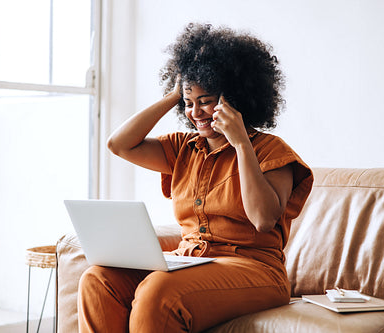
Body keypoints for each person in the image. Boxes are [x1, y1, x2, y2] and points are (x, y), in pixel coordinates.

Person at [78, 23, 313, 333]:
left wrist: (241, 142)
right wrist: (175, 94)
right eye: (189, 104)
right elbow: (118, 144)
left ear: (237, 99)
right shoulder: (181, 147)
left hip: (255, 270)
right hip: (188, 260)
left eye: (206, 101)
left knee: (157, 291)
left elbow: (263, 220)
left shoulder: (269, 150)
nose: (196, 113)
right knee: (97, 280)